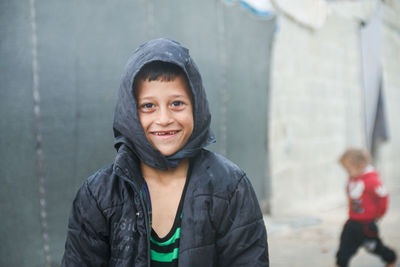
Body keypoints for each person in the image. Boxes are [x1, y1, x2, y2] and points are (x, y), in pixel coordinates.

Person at [62, 38, 269, 267]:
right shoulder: (98, 195)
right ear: (130, 113)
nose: (164, 119)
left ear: (197, 106)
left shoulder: (230, 187)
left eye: (177, 103)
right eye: (148, 106)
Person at [335, 148, 396, 267]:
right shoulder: (353, 178)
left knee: (373, 246)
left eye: (348, 169)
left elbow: (383, 197)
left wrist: (380, 213)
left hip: (367, 224)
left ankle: (390, 257)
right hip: (353, 221)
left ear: (360, 166)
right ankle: (340, 263)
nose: (347, 172)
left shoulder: (372, 180)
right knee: (345, 244)